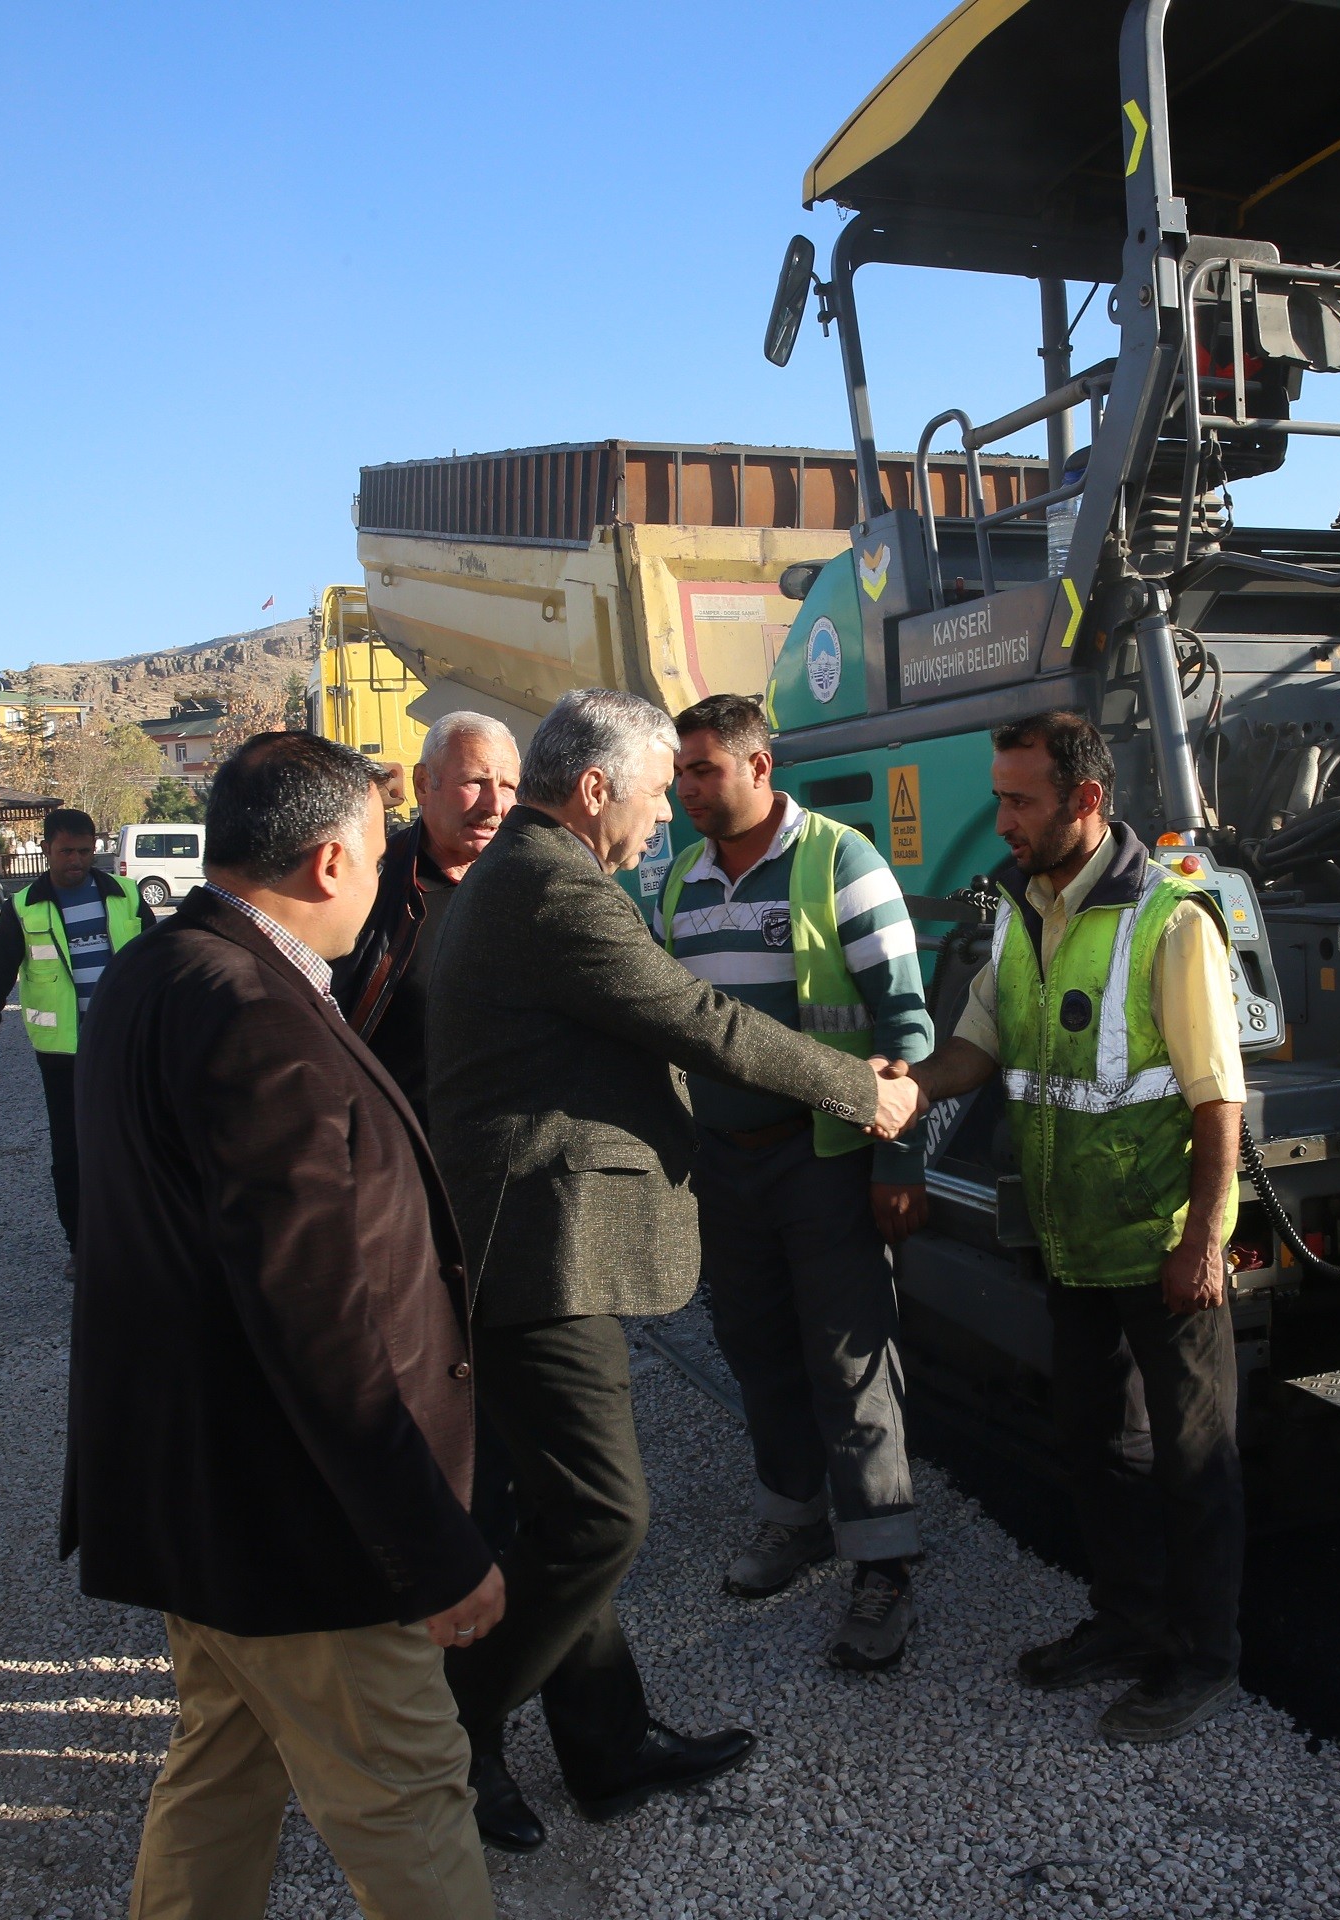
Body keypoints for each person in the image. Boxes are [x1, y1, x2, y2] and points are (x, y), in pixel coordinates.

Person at [424, 686, 921, 1852]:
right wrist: (868, 1093)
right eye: (654, 793)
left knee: (562, 1511)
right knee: (602, 1519)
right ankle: (454, 1737)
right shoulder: (552, 882)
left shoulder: (539, 873)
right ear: (595, 788)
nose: (662, 820)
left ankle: (605, 1747)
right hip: (539, 1247)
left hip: (537, 1237)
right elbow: (702, 1020)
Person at [68, 731, 502, 1920]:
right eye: (376, 853)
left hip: (201, 1500)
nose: (383, 878)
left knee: (222, 1768)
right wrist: (429, 1544)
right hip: (302, 1525)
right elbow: (315, 1312)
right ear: (325, 862)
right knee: (411, 1796)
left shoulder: (163, 971)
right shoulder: (251, 1010)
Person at [900, 711, 1248, 1746]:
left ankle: (1205, 1656)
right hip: (1067, 1241)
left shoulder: (1170, 921)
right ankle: (1128, 1619)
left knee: (1196, 1462)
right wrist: (908, 1090)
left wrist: (1204, 1244)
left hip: (1157, 1244)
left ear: (1084, 802)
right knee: (1097, 1447)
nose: (1000, 819)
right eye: (1000, 796)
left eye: (1020, 800)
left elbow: (1216, 1100)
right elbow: (977, 1043)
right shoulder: (1017, 911)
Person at [657, 694, 933, 1670]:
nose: (686, 789)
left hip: (822, 1156)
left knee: (849, 1360)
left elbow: (903, 1022)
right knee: (754, 1343)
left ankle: (884, 1566)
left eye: (704, 770)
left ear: (759, 767)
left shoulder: (840, 861)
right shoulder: (681, 880)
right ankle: (794, 1517)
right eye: (681, 773)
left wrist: (898, 1161)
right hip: (727, 1166)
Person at [0, 808, 148, 1255]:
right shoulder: (23, 908)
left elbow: (161, 963)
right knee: (72, 1154)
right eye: (66, 851)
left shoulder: (124, 895)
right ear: (46, 850)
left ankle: (139, 1243)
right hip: (64, 1054)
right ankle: (83, 1247)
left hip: (124, 1047)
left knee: (137, 1146)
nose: (76, 861)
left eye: (85, 851)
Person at [342, 710, 522, 1118]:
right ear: (424, 784)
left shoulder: (534, 885)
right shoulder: (372, 887)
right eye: (475, 782)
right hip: (405, 1155)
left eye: (509, 786)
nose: (495, 804)